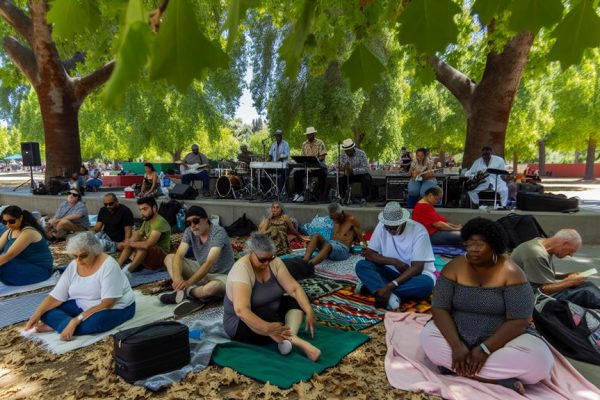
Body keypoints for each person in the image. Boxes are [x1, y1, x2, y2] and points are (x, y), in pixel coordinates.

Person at [420, 218, 553, 395]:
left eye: (479, 245)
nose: (472, 250)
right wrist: (457, 347)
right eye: (468, 244)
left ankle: (455, 369)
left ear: (494, 246)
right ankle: (496, 379)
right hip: (457, 332)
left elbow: (521, 320)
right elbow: (439, 308)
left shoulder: (512, 272)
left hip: (501, 338)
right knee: (428, 339)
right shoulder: (454, 267)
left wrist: (484, 350)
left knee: (539, 363)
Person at [223, 232, 321, 361]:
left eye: (271, 258)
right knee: (264, 312)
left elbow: (294, 288)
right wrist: (267, 328)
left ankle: (288, 339)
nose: (266, 263)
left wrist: (308, 310)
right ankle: (300, 343)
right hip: (242, 324)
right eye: (262, 260)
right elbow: (241, 311)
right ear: (251, 252)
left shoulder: (274, 262)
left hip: (271, 315)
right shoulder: (241, 270)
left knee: (295, 300)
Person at [25, 232, 135, 341]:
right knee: (45, 313)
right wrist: (36, 315)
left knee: (96, 323)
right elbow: (55, 297)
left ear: (95, 251)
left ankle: (58, 326)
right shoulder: (74, 265)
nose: (78, 260)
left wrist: (75, 321)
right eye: (75, 256)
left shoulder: (109, 265)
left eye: (83, 256)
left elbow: (107, 303)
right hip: (82, 304)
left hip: (115, 307)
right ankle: (63, 326)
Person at [355, 202, 436, 309]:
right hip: (391, 272)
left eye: (394, 228)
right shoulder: (382, 226)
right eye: (388, 228)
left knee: (426, 284)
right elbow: (369, 255)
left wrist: (390, 285)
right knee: (361, 265)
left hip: (414, 276)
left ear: (402, 222)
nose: (390, 231)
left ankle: (376, 290)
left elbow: (417, 268)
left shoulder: (419, 231)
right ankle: (391, 294)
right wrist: (394, 262)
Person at [159, 206, 235, 315]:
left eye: (195, 221)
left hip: (222, 275)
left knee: (212, 288)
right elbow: (179, 255)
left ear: (206, 219)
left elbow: (209, 263)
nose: (192, 226)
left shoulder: (218, 232)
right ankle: (181, 291)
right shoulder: (189, 231)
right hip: (201, 271)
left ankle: (190, 292)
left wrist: (188, 283)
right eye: (188, 223)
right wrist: (178, 280)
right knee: (169, 258)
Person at [511, 229, 600, 309]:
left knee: (587, 285)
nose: (570, 255)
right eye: (571, 251)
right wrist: (570, 282)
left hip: (531, 289)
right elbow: (543, 289)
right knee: (587, 292)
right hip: (529, 298)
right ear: (564, 243)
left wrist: (566, 276)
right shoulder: (537, 254)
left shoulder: (540, 243)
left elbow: (540, 274)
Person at [0, 206, 54, 285]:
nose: (8, 225)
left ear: (21, 218)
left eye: (11, 221)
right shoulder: (9, 232)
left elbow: (7, 256)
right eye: (4, 222)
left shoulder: (28, 232)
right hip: (21, 267)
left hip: (40, 271)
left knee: (3, 264)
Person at [117, 197, 171, 273]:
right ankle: (117, 266)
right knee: (136, 236)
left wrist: (128, 243)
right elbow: (138, 234)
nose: (142, 213)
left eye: (145, 209)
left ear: (154, 208)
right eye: (140, 210)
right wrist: (128, 243)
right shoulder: (147, 220)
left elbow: (148, 245)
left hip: (161, 257)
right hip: (148, 255)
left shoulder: (160, 222)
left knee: (143, 246)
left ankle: (128, 271)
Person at [292, 127, 328, 202]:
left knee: (323, 174)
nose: (309, 136)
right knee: (296, 174)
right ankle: (299, 194)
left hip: (318, 168)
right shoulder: (304, 144)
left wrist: (316, 160)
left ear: (314, 134)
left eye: (311, 134)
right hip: (307, 168)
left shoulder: (320, 142)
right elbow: (302, 156)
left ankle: (319, 195)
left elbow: (323, 155)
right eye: (308, 135)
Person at [338, 138, 371, 205]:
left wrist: (353, 170)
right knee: (341, 179)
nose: (348, 153)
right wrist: (343, 168)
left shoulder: (361, 153)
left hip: (360, 174)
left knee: (367, 178)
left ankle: (364, 198)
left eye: (349, 151)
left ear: (353, 148)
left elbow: (365, 168)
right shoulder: (343, 155)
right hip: (349, 174)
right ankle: (343, 197)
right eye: (346, 151)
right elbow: (340, 166)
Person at [268, 129, 290, 194]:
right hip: (274, 165)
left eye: (278, 136)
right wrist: (267, 161)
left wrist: (280, 157)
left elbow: (287, 155)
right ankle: (269, 191)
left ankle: (281, 191)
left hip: (282, 165)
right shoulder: (273, 144)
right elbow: (270, 155)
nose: (277, 137)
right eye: (276, 136)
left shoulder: (285, 144)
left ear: (281, 136)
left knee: (283, 174)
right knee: (264, 172)